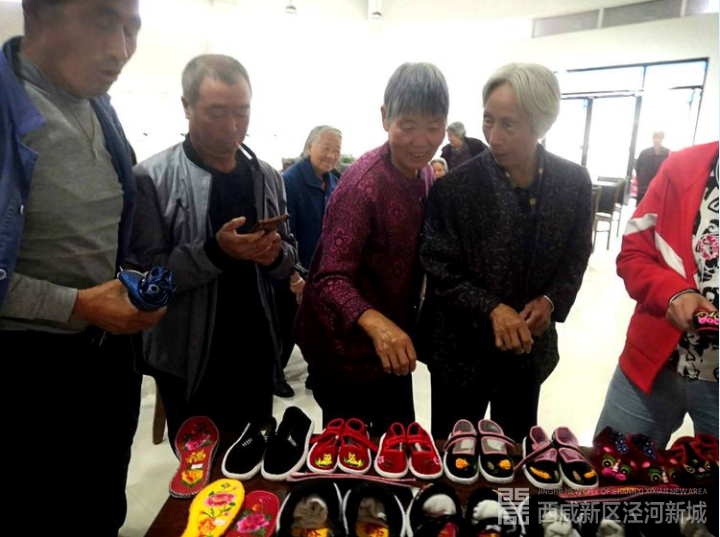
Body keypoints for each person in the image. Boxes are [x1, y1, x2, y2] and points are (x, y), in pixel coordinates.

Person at [0, 1, 163, 534]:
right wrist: (78, 304)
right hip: (26, 371)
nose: (120, 50)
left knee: (100, 507)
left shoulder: (99, 107)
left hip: (104, 359)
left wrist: (127, 288)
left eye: (131, 29)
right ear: (38, 11)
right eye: (101, 20)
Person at [128, 54, 298, 445]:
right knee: (200, 468)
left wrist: (274, 255)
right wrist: (216, 253)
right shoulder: (151, 178)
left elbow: (290, 255)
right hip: (189, 360)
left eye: (242, 112)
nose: (232, 126)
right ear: (186, 106)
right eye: (217, 112)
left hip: (255, 349)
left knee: (253, 460)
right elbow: (147, 281)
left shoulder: (266, 176)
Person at [419, 63, 593, 441]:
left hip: (526, 354)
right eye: (488, 120)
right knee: (455, 455)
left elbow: (576, 253)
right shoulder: (455, 189)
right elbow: (438, 266)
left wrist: (550, 300)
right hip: (460, 352)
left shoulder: (573, 183)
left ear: (541, 124)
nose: (494, 136)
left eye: (508, 125)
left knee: (515, 453)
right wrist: (491, 308)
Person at [294, 62, 449, 435]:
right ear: (385, 118)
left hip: (393, 342)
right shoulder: (362, 186)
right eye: (407, 126)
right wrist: (377, 323)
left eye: (433, 128)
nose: (421, 141)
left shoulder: (426, 172)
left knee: (398, 443)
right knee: (350, 453)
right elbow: (329, 277)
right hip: (344, 347)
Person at [595, 142, 718, 448]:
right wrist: (673, 293)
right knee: (611, 468)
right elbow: (633, 254)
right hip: (653, 362)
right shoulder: (684, 167)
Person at [273, 125, 342, 397]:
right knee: (287, 326)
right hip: (290, 272)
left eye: (336, 150)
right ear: (309, 147)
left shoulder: (332, 181)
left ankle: (317, 373)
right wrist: (294, 276)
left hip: (319, 271)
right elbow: (283, 235)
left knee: (317, 326)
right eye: (326, 148)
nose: (331, 155)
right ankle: (274, 375)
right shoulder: (290, 182)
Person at [635, 131, 669, 204]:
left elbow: (669, 170)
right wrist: (640, 181)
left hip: (659, 187)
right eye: (655, 138)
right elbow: (638, 168)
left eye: (659, 138)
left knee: (655, 207)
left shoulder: (667, 153)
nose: (657, 140)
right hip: (644, 186)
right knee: (641, 206)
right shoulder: (644, 153)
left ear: (662, 139)